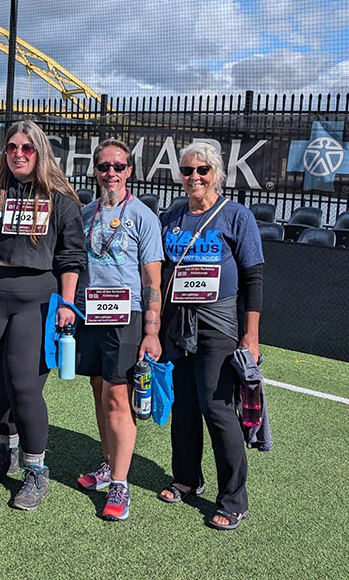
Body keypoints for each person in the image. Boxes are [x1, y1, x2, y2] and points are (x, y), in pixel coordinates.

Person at [0, 120, 86, 510]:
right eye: (11, 147)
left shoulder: (61, 198)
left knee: (25, 385)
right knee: (0, 382)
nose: (18, 154)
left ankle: (36, 470)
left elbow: (71, 256)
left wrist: (66, 303)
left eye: (27, 148)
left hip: (36, 301)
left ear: (41, 152)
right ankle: (7, 450)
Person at [156, 141, 264, 531]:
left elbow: (253, 278)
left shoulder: (237, 216)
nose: (195, 177)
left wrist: (250, 334)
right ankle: (187, 477)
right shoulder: (171, 216)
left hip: (219, 325)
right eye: (187, 171)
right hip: (176, 325)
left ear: (216, 173)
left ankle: (233, 498)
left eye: (202, 170)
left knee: (217, 410)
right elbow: (159, 272)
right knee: (183, 406)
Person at [73, 139, 164, 521]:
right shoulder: (86, 212)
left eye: (119, 166)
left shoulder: (142, 216)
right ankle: (109, 463)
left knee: (116, 396)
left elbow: (152, 279)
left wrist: (152, 330)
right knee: (98, 389)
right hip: (92, 314)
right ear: (95, 170)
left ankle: (121, 485)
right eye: (104, 166)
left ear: (129, 171)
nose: (111, 172)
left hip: (127, 315)